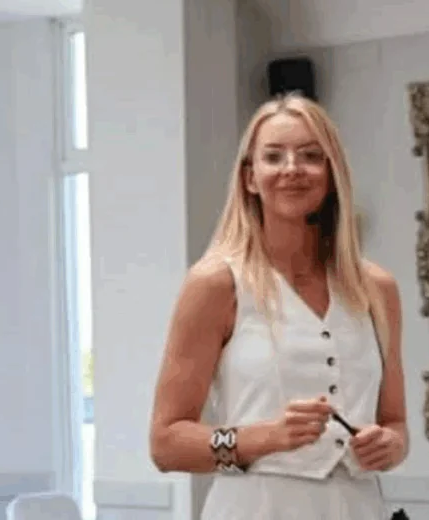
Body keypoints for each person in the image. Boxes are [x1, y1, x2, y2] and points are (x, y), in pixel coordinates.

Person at [148, 93, 408, 519]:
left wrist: (391, 444)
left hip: (359, 507)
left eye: (310, 155)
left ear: (331, 173)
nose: (292, 169)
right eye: (274, 156)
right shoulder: (214, 284)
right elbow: (165, 443)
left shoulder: (376, 288)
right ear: (250, 177)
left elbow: (395, 422)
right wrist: (266, 437)